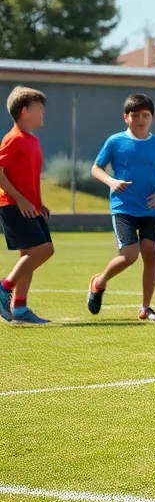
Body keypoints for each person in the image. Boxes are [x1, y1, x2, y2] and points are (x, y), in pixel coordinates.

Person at [87, 94, 155, 322]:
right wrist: (112, 182)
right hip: (123, 208)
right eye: (135, 115)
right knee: (129, 255)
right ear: (125, 117)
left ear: (152, 118)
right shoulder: (115, 142)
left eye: (145, 115)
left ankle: (146, 308)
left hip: (149, 209)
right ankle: (99, 282)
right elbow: (96, 169)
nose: (140, 119)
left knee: (150, 253)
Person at [0, 87, 54, 324]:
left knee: (29, 254)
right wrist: (20, 199)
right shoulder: (13, 139)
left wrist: (38, 202)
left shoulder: (32, 140)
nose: (44, 112)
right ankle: (4, 288)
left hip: (29, 206)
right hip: (13, 205)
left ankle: (19, 309)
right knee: (44, 249)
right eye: (40, 108)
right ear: (25, 111)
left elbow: (28, 175)